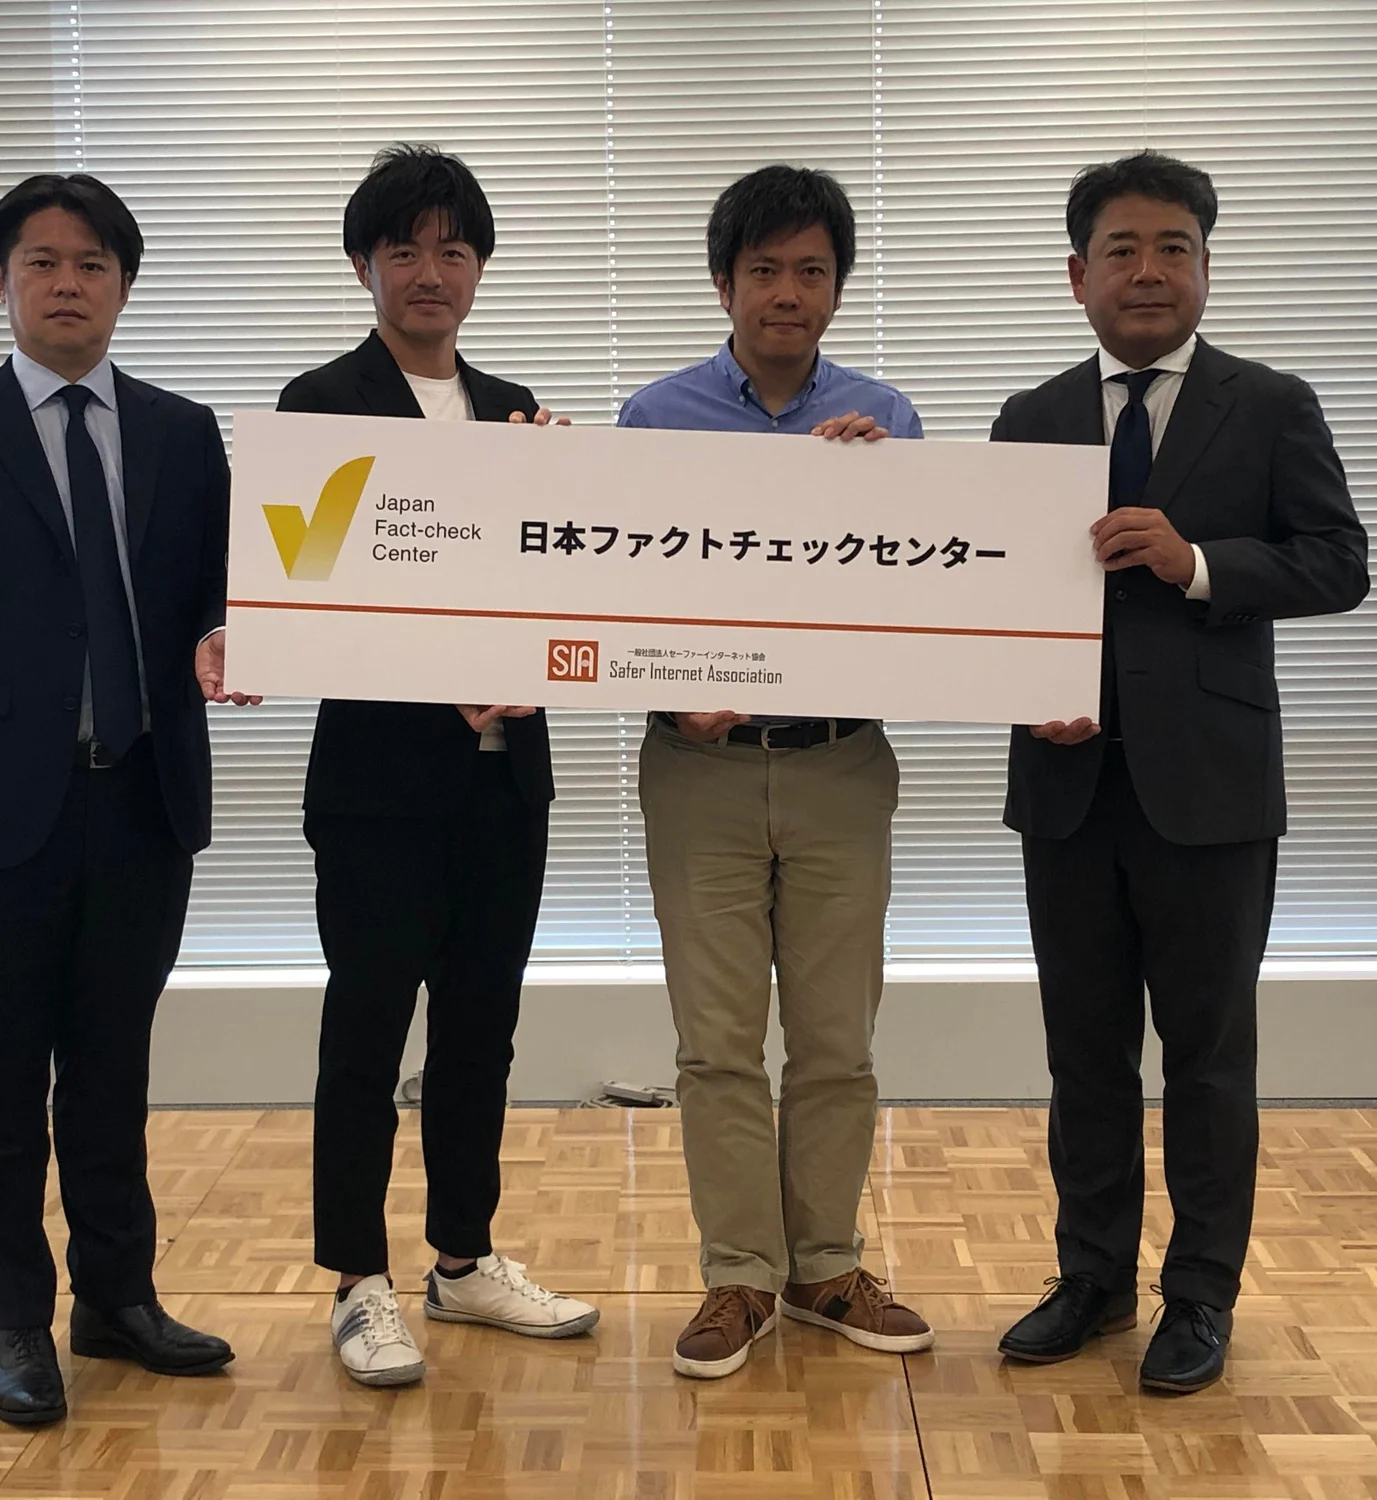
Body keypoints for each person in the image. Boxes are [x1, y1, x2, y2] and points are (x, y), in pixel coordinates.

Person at [990, 151, 1369, 1393]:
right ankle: (1090, 1277)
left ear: (1203, 267)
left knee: (1206, 1060)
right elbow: (988, 607)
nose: (1145, 271)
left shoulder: (1268, 405)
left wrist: (1197, 560)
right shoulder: (1028, 418)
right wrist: (1023, 693)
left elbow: (1335, 563)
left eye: (1170, 248)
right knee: (1080, 1056)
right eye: (1120, 250)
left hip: (1208, 792)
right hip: (1064, 791)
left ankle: (1198, 1294)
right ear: (1073, 274)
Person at [0, 173, 256, 1426]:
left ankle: (116, 1297)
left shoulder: (178, 430)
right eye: (40, 262)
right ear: (1, 281)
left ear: (124, 286)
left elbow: (219, 591)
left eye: (91, 264)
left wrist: (226, 638)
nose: (65, 284)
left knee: (111, 1071)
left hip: (143, 802)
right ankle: (16, 1325)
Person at [275, 145, 598, 1388]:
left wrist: (574, 497)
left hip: (504, 782)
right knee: (365, 1029)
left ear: (479, 270)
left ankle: (462, 1259)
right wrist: (431, 674)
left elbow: (563, 587)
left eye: (452, 249)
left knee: (482, 1027)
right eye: (403, 248)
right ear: (364, 264)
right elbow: (311, 599)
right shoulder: (320, 405)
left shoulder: (518, 409)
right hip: (376, 787)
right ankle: (357, 1279)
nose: (429, 272)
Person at [618, 164, 935, 1380]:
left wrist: (871, 495)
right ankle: (735, 1278)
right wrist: (666, 689)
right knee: (712, 1042)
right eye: (763, 271)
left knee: (835, 1039)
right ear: (722, 283)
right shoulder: (655, 420)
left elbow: (919, 606)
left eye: (810, 272)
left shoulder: (885, 422)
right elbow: (615, 594)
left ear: (836, 288)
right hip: (695, 769)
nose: (786, 294)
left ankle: (824, 1266)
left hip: (839, 765)